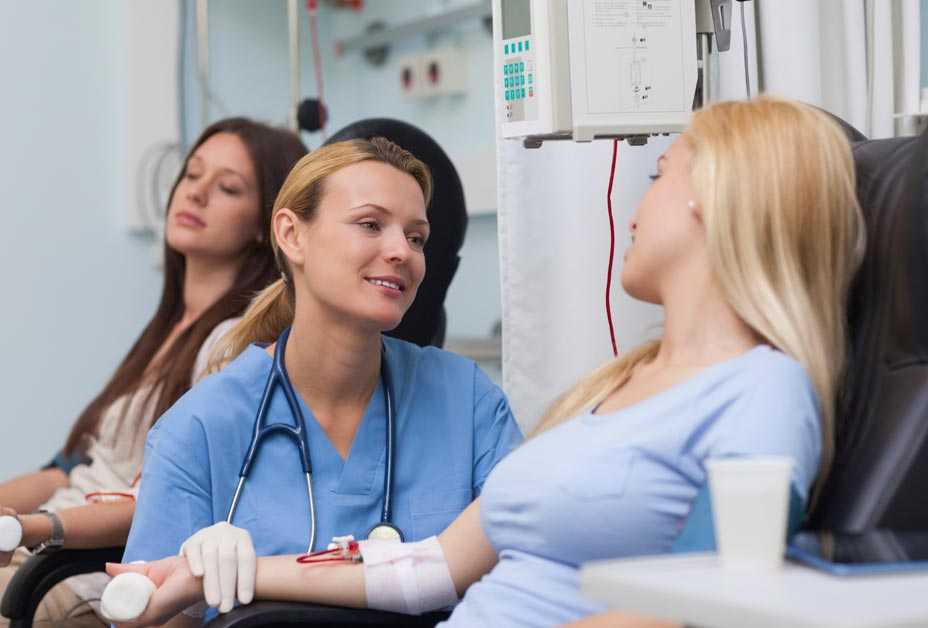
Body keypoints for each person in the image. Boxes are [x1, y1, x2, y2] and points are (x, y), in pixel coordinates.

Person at [106, 97, 866, 628]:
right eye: (370, 225)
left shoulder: (761, 390)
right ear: (291, 236)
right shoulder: (616, 388)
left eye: (660, 172)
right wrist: (212, 572)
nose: (635, 206)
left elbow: (712, 605)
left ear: (718, 199)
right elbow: (431, 568)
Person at [116, 137, 522, 620]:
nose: (402, 252)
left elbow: (529, 571)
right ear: (291, 235)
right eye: (370, 225)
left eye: (416, 238)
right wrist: (190, 584)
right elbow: (142, 614)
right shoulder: (201, 427)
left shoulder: (467, 401)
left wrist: (258, 573)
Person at [0, 117, 307, 626]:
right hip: (38, 551)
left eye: (228, 187)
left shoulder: (233, 346)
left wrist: (33, 528)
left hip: (80, 576)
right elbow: (71, 468)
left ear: (267, 225)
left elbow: (169, 502)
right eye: (192, 174)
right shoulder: (168, 330)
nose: (196, 193)